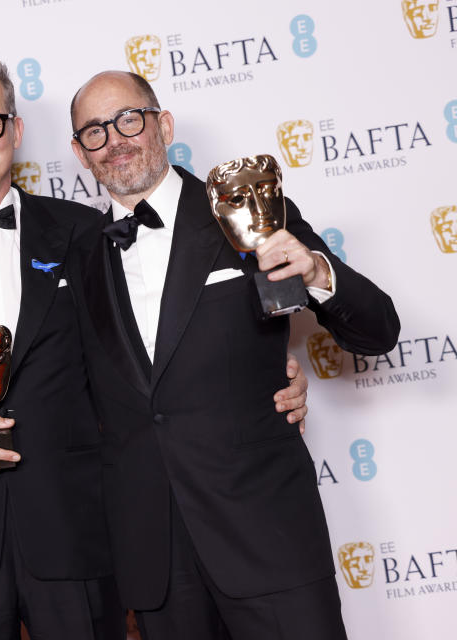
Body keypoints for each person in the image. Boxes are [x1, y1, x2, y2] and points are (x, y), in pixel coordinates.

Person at [0, 56, 308, 640]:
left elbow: (151, 348)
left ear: (15, 130)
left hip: (79, 533)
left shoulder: (87, 232)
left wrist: (267, 369)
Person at [66, 70, 400, 640]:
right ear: (79, 152)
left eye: (128, 119)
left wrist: (320, 272)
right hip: (156, 561)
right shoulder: (78, 256)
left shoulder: (250, 213)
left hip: (267, 536)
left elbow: (377, 330)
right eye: (94, 131)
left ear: (162, 124)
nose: (114, 140)